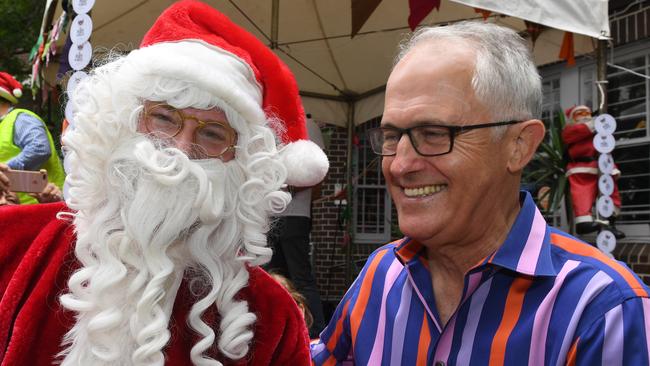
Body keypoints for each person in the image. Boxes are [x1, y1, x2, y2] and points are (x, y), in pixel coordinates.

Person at [0, 1, 328, 365]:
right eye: (163, 117)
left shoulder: (270, 314)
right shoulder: (10, 240)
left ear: (241, 163)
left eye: (213, 133)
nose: (181, 149)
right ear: (121, 122)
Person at [311, 21, 650, 365]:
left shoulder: (601, 310)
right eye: (391, 136)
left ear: (519, 145)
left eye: (433, 133)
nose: (399, 165)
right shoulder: (381, 273)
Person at [267, 114, 326, 338]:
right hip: (272, 214)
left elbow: (319, 174)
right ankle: (284, 330)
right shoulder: (272, 123)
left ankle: (316, 334)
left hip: (293, 215)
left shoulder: (307, 125)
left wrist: (286, 190)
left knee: (298, 277)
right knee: (275, 277)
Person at [0, 72, 65, 204]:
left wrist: (5, 170)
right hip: (15, 210)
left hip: (44, 206)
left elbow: (40, 149)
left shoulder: (21, 119)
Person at [562, 105, 625, 238]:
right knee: (582, 193)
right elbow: (580, 130)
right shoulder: (570, 130)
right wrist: (597, 122)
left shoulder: (597, 128)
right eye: (580, 114)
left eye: (587, 113)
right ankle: (583, 221)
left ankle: (609, 224)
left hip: (602, 164)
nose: (585, 115)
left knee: (610, 191)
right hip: (582, 167)